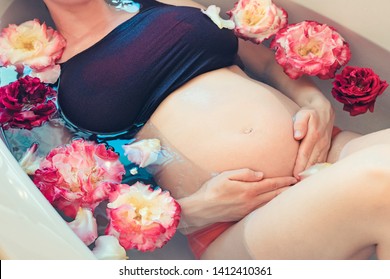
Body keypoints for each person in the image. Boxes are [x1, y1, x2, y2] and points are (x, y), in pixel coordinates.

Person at [35, 0, 390, 259]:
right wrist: (193, 211)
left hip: (329, 149)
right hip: (237, 224)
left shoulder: (168, 5)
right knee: (381, 183)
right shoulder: (40, 85)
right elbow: (75, 213)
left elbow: (264, 60)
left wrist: (315, 103)